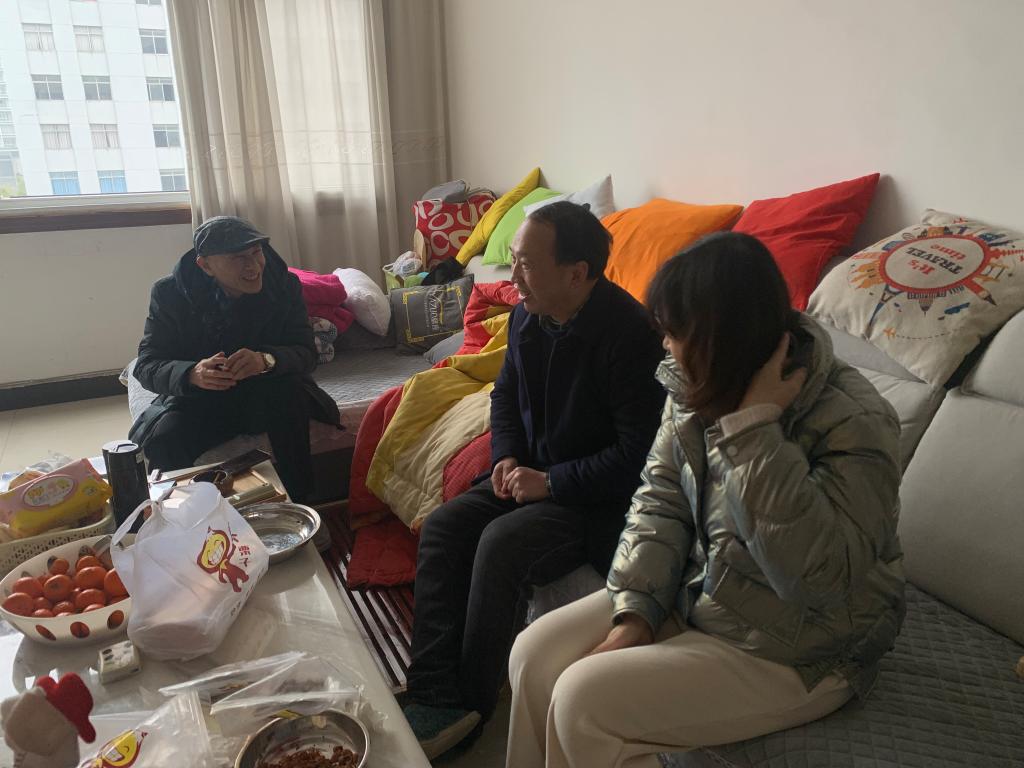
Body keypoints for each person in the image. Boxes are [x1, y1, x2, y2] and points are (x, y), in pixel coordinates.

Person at [506, 231, 906, 768]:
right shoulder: (696, 383)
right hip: (701, 593)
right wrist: (636, 613)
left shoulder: (856, 420)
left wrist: (754, 430)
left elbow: (817, 582)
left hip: (802, 645)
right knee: (533, 655)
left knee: (583, 701)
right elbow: (660, 501)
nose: (665, 347)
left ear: (720, 339)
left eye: (673, 334)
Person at [402, 201, 666, 758]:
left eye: (525, 263)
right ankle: (431, 692)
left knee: (502, 543)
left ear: (577, 273)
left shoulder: (629, 335)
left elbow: (639, 457)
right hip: (528, 473)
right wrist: (505, 455)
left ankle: (471, 706)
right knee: (445, 526)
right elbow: (504, 396)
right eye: (514, 260)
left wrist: (552, 482)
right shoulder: (529, 315)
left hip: (594, 499)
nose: (513, 276)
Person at [128, 216, 339, 502]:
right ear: (205, 266)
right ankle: (179, 512)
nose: (253, 266)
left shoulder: (283, 285)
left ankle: (301, 502)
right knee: (164, 439)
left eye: (256, 253)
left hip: (268, 391)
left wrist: (266, 360)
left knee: (290, 398)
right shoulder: (171, 294)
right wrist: (192, 373)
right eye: (238, 258)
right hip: (201, 398)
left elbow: (305, 352)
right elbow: (147, 364)